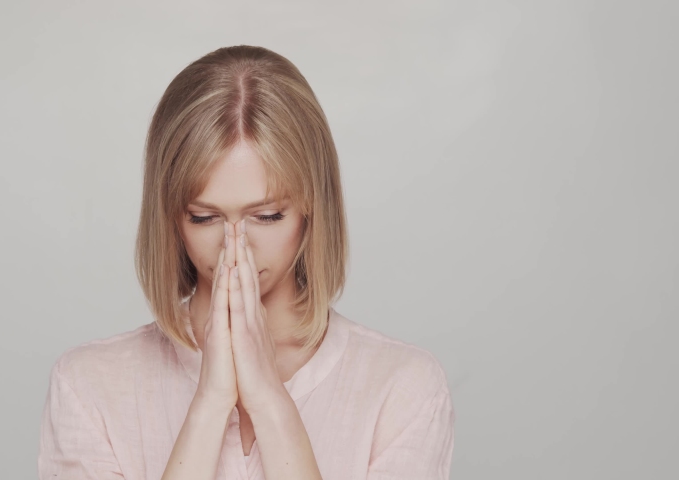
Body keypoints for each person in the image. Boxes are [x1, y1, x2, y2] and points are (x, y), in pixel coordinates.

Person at [37, 45, 455, 480]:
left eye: (268, 216)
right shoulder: (87, 387)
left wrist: (270, 401)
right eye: (204, 217)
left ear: (312, 205)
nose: (236, 247)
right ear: (170, 219)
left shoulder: (403, 390)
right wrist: (211, 402)